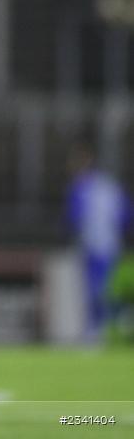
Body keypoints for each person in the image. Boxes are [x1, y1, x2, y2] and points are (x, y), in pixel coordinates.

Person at [65, 139, 130, 342]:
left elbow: (74, 217)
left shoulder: (82, 188)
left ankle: (98, 332)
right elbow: (126, 215)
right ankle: (108, 328)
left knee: (97, 290)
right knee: (106, 290)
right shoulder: (109, 186)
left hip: (95, 247)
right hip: (110, 246)